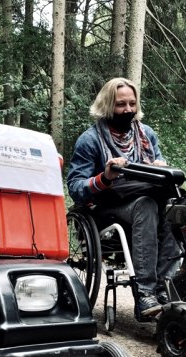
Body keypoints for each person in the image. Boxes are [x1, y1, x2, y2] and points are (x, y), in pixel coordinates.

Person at [66, 77, 179, 318]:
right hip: (104, 209)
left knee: (174, 208)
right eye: (120, 104)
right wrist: (105, 177)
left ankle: (165, 287)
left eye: (132, 104)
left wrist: (160, 166)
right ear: (107, 106)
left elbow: (158, 165)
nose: (128, 109)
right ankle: (145, 293)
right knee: (146, 206)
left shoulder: (147, 134)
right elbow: (75, 187)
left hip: (143, 200)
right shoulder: (90, 140)